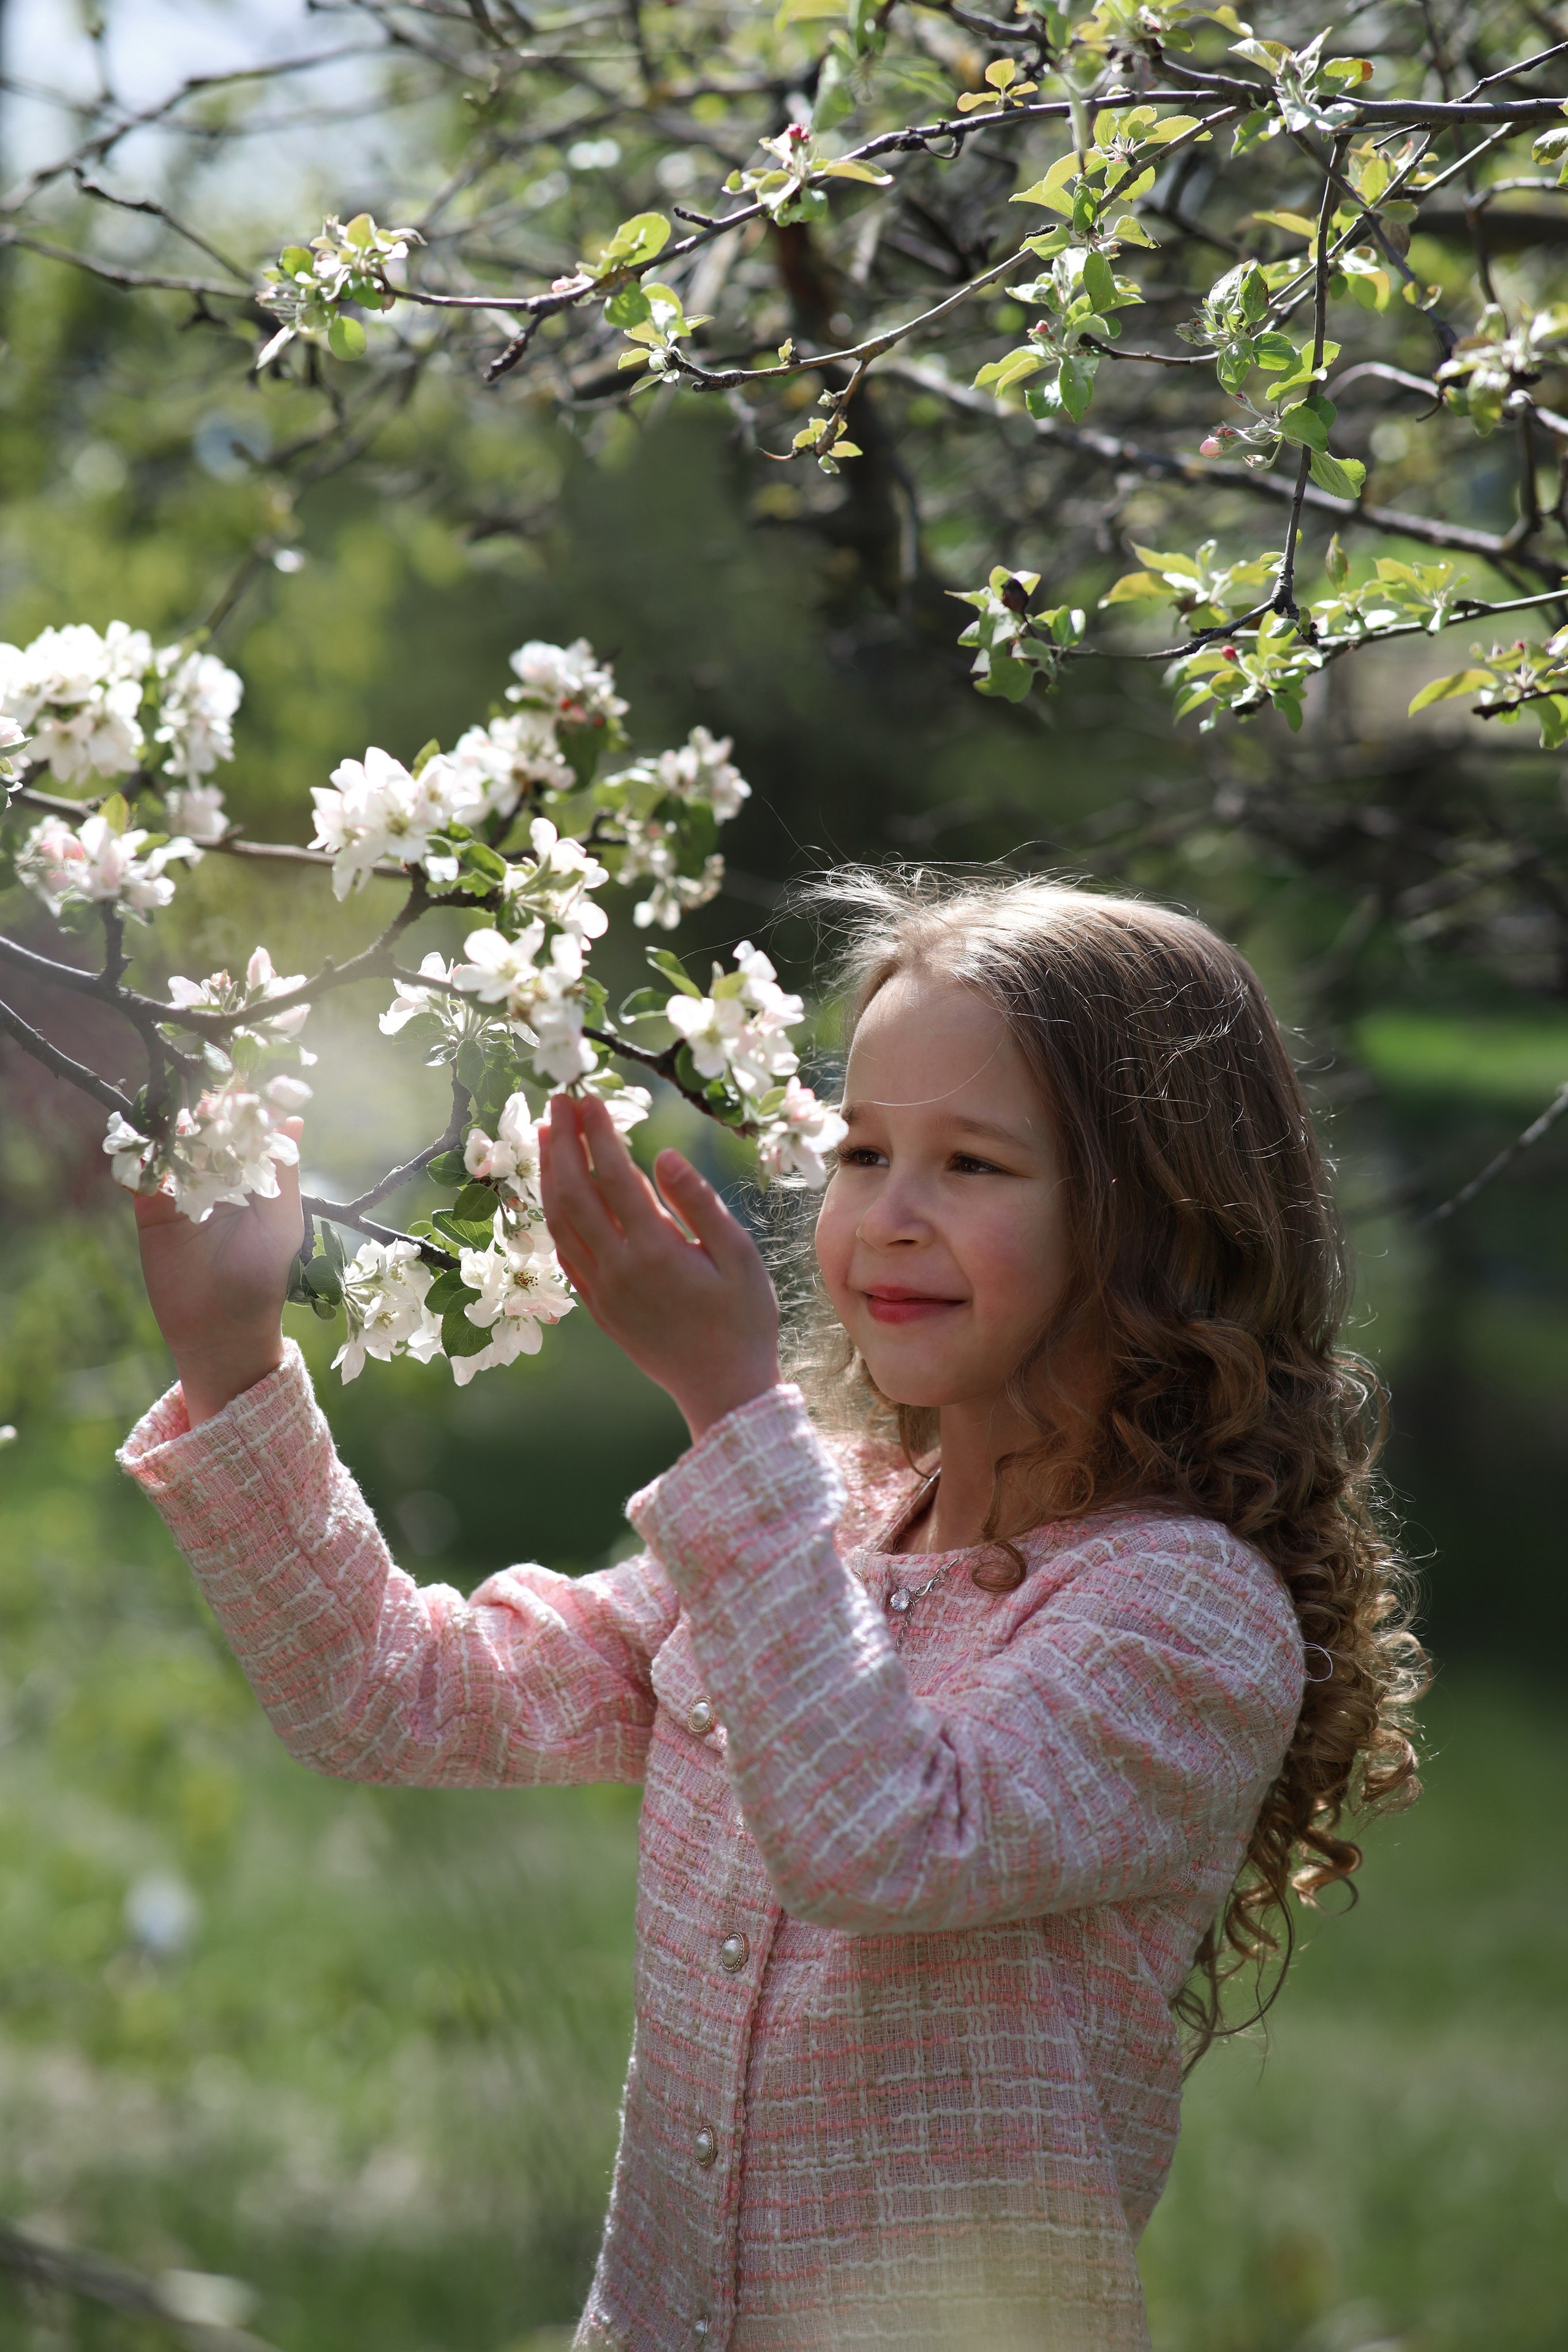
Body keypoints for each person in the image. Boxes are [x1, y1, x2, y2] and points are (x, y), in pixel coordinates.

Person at [119, 872, 1427, 2352]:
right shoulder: (824, 1521)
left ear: (1160, 1219)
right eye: (861, 1150)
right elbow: (392, 1695)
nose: (888, 1214)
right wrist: (233, 1355)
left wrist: (728, 1409)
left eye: (974, 1165)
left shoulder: (1182, 1619)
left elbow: (878, 1831)